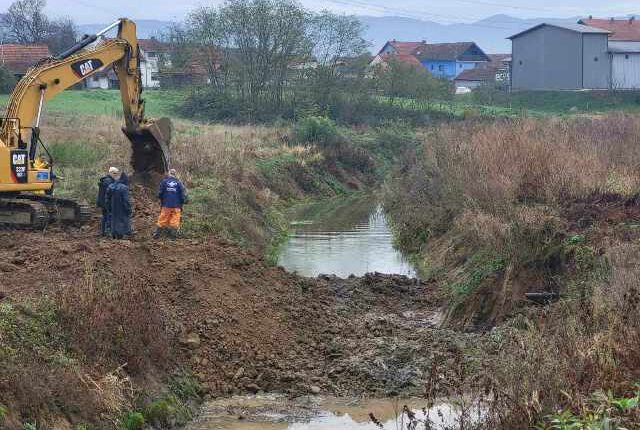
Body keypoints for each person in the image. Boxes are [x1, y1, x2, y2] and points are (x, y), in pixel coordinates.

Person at [154, 168, 187, 239]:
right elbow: (183, 195)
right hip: (177, 205)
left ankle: (157, 234)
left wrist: (161, 199)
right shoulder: (179, 183)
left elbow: (160, 193)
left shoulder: (164, 182)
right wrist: (183, 201)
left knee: (162, 219)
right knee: (175, 220)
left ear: (169, 174)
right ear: (175, 174)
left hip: (166, 205)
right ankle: (173, 236)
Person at [106, 172, 132, 239]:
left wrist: (108, 207)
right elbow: (126, 200)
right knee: (121, 222)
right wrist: (128, 209)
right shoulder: (124, 188)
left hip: (112, 207)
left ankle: (113, 235)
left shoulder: (111, 186)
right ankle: (120, 237)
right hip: (121, 208)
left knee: (113, 221)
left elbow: (107, 199)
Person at [96, 167, 119, 237]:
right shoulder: (109, 181)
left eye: (117, 174)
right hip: (107, 202)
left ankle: (104, 232)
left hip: (103, 202)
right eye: (114, 173)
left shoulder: (105, 180)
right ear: (110, 173)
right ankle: (108, 232)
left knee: (105, 216)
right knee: (110, 216)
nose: (116, 175)